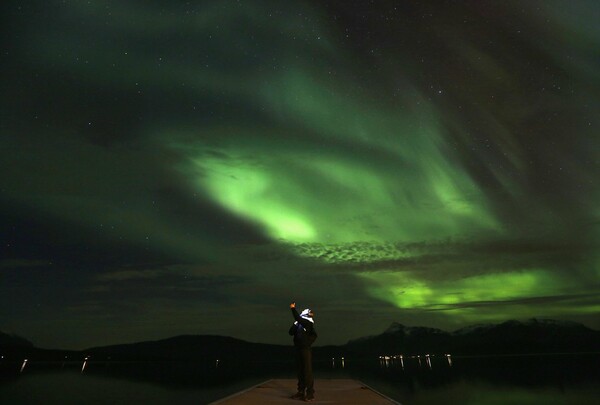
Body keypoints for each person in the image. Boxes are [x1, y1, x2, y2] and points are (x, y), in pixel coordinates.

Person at [289, 302, 317, 402]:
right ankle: (300, 391)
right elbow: (290, 332)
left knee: (307, 372)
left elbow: (298, 318)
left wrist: (293, 309)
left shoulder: (308, 323)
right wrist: (295, 324)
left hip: (305, 350)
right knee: (300, 371)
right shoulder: (299, 323)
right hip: (298, 349)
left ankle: (310, 394)